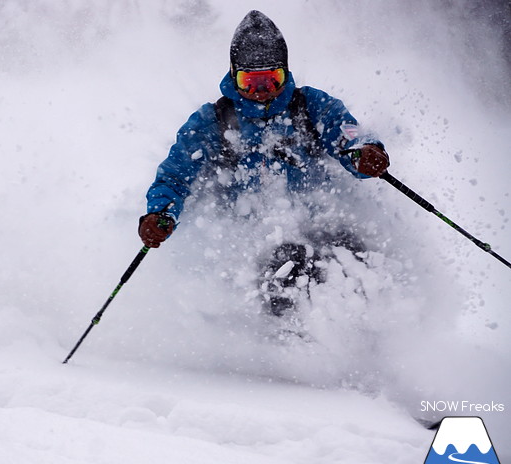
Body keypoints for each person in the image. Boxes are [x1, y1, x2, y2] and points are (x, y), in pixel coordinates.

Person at [138, 10, 390, 317]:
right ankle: (290, 351)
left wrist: (365, 153)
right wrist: (161, 214)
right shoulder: (213, 122)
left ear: (285, 73)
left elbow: (349, 138)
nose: (261, 93)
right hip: (247, 238)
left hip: (316, 220)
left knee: (350, 252)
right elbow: (175, 176)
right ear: (234, 76)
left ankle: (375, 331)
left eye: (271, 81)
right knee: (286, 264)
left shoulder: (311, 107)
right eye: (250, 82)